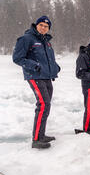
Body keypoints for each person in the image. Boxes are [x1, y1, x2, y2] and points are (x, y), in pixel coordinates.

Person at [12, 16, 60, 149]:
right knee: (43, 104)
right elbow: (17, 58)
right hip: (35, 76)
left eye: (46, 26)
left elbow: (48, 60)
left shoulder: (46, 42)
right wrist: (34, 66)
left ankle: (41, 134)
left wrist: (56, 67)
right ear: (36, 25)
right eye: (41, 25)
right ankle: (37, 139)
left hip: (47, 77)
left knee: (46, 105)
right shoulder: (26, 39)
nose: (44, 28)